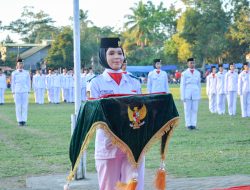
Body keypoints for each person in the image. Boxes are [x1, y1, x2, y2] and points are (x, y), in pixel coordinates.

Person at [90, 37, 144, 190]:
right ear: (103, 56)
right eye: (111, 53)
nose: (117, 57)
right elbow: (93, 114)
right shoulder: (95, 83)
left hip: (133, 145)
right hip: (108, 145)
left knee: (134, 186)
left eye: (120, 53)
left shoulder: (134, 81)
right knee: (109, 187)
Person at [180, 58, 201, 130]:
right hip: (187, 93)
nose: (192, 64)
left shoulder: (198, 73)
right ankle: (188, 124)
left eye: (193, 63)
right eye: (191, 63)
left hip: (195, 93)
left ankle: (193, 124)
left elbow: (199, 85)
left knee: (195, 110)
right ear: (188, 64)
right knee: (187, 110)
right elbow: (182, 85)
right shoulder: (184, 73)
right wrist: (182, 96)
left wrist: (199, 95)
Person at [11, 58, 31, 126]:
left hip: (25, 91)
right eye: (19, 63)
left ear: (23, 64)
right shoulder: (14, 73)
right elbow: (12, 83)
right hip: (17, 91)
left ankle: (24, 121)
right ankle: (19, 121)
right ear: (17, 64)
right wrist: (13, 91)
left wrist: (28, 91)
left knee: (25, 106)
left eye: (21, 63)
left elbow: (28, 82)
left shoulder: (26, 72)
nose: (20, 65)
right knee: (18, 106)